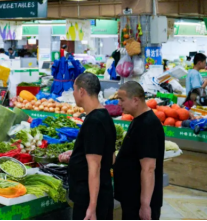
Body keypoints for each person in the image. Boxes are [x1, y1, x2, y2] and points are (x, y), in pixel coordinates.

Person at [68, 73, 117, 221]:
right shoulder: (105, 116)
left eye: (74, 89)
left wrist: (92, 207)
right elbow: (110, 157)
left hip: (90, 199)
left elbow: (94, 166)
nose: (73, 93)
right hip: (102, 193)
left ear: (82, 91)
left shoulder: (94, 122)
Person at [115, 81, 165, 221]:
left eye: (122, 100)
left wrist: (145, 205)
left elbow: (148, 168)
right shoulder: (138, 120)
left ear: (135, 100)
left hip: (138, 202)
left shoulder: (147, 126)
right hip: (131, 199)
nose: (119, 103)